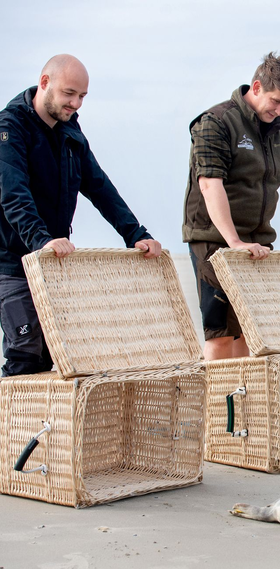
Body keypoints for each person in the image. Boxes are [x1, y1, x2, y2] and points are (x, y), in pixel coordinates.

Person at [0, 54, 162, 377]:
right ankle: (10, 428)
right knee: (25, 356)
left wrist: (136, 233)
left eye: (82, 96)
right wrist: (41, 240)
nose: (76, 103)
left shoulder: (70, 130)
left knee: (55, 355)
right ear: (45, 83)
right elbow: (13, 193)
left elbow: (99, 186)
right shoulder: (10, 127)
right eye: (69, 93)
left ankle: (42, 429)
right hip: (14, 263)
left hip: (52, 264)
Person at [183, 52, 280, 361]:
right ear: (257, 86)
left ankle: (243, 407)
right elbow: (210, 184)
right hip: (214, 241)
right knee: (221, 335)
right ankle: (216, 407)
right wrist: (234, 242)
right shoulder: (215, 122)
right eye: (276, 101)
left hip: (258, 244)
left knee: (250, 335)